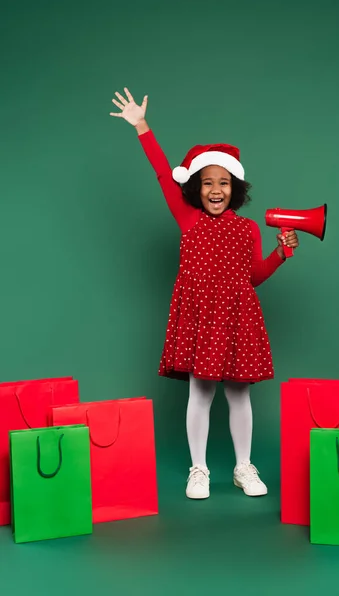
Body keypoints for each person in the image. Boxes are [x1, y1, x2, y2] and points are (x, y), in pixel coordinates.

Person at [110, 88, 299, 500]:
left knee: (239, 395)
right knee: (200, 392)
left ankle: (243, 467)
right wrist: (142, 126)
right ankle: (200, 469)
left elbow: (254, 276)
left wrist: (281, 253)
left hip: (237, 315)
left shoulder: (247, 228)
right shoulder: (188, 218)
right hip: (201, 317)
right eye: (209, 183)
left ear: (236, 187)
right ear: (196, 188)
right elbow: (163, 173)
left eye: (224, 182)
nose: (216, 189)